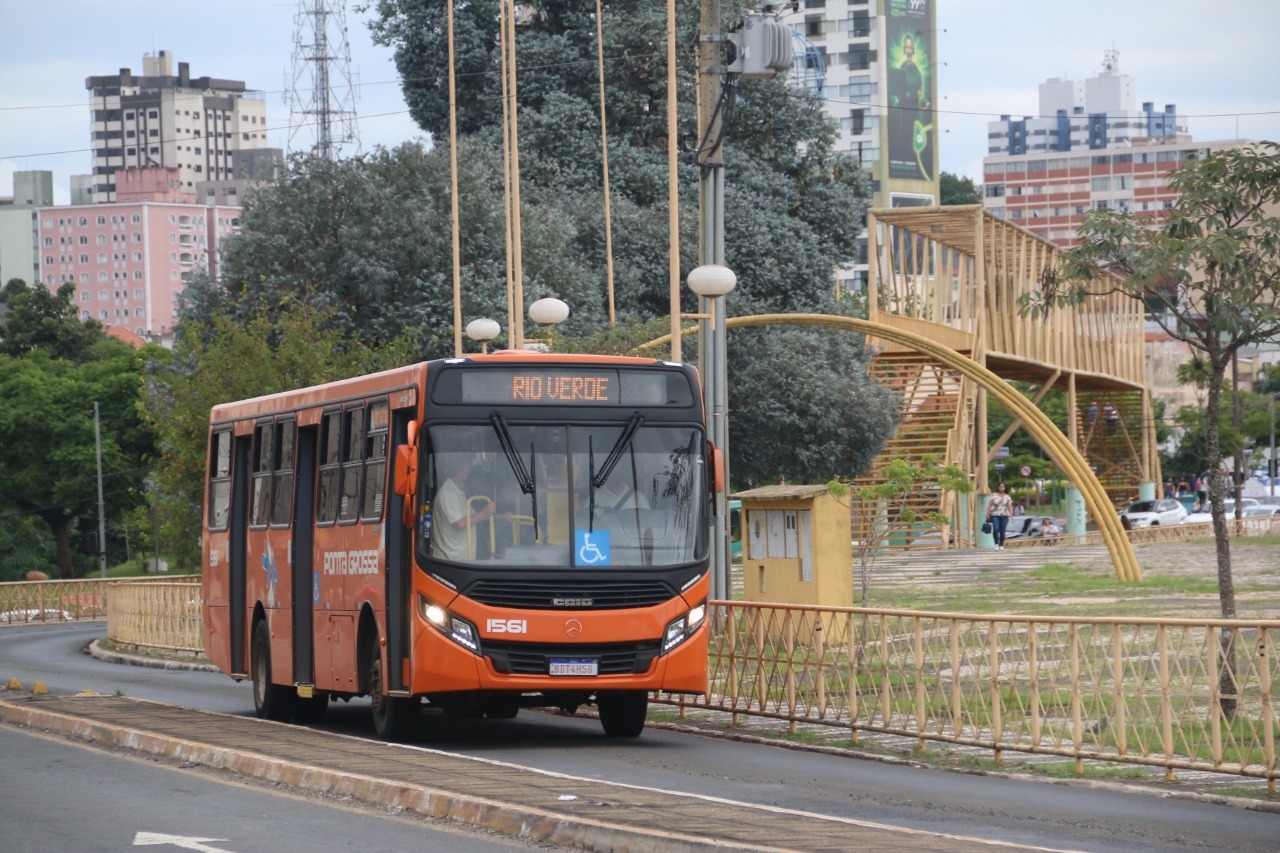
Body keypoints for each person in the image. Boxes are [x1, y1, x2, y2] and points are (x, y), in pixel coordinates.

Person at [432, 455, 503, 561]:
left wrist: (503, 516)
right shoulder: (448, 493)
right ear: (458, 472)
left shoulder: (458, 493)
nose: (471, 475)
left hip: (460, 560)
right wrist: (484, 513)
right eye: (468, 471)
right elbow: (460, 523)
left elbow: (475, 517)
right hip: (450, 561)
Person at [986, 482, 1014, 550]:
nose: (1002, 488)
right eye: (1000, 487)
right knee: (996, 529)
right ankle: (996, 544)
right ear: (998, 487)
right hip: (995, 515)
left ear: (1005, 488)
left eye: (1003, 487)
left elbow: (1009, 505)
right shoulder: (994, 495)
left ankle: (1001, 545)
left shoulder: (1007, 496)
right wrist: (988, 513)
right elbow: (990, 505)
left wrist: (1011, 514)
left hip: (1004, 515)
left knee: (1002, 530)